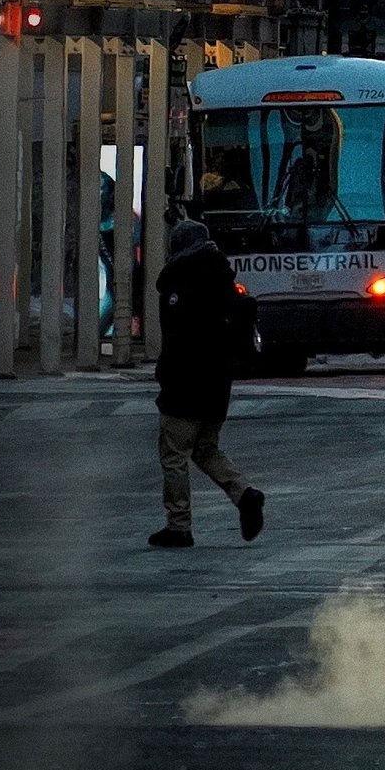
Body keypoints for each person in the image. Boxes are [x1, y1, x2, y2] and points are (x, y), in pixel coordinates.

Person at [150, 219, 264, 548]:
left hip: (185, 384)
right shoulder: (222, 280)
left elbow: (177, 339)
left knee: (173, 456)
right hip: (217, 384)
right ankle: (244, 495)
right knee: (205, 448)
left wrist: (166, 377)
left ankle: (178, 525)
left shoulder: (180, 282)